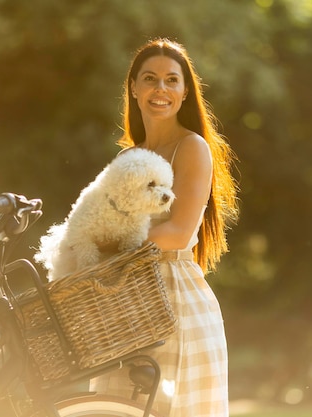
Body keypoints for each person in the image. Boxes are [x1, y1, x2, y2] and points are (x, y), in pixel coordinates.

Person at [90, 38, 239, 417]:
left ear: (185, 92)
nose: (161, 89)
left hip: (175, 303)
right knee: (112, 407)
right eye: (151, 79)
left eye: (172, 80)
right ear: (134, 89)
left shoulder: (192, 148)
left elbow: (177, 230)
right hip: (126, 304)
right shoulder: (128, 157)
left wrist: (114, 244)